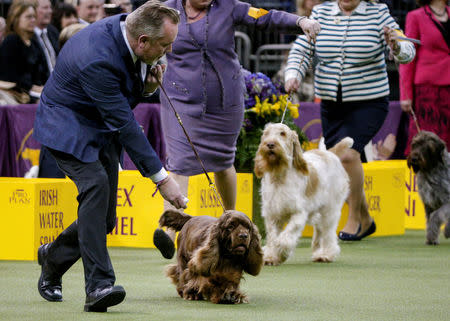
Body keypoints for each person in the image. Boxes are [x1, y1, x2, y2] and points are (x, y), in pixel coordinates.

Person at [33, 0, 187, 312]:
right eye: (164, 45)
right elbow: (126, 125)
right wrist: (162, 180)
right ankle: (98, 286)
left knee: (104, 220)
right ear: (143, 40)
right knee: (96, 186)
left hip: (97, 125)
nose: (167, 52)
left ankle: (53, 256)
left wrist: (147, 85)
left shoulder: (130, 28)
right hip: (65, 125)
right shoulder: (97, 59)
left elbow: (127, 89)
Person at [152, 0, 321, 258]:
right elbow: (137, 30)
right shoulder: (166, 9)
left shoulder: (228, 6)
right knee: (179, 161)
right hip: (179, 98)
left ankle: (228, 218)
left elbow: (265, 17)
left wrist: (300, 22)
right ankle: (170, 231)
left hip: (225, 99)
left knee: (222, 162)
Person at [285, 0, 416, 241]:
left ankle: (354, 219)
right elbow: (302, 49)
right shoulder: (321, 12)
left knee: (348, 155)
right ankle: (366, 219)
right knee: (339, 163)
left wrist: (396, 46)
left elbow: (408, 52)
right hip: (331, 104)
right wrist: (293, 74)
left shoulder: (379, 13)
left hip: (369, 102)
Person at [400, 0, 450, 154]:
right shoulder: (415, 16)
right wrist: (406, 94)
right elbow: (408, 57)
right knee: (427, 142)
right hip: (428, 90)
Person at [0, 0, 47, 103]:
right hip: (17, 94)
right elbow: (10, 76)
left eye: (34, 16)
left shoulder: (34, 43)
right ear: (16, 18)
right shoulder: (11, 41)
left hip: (37, 91)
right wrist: (32, 87)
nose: (33, 20)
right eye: (28, 17)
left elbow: (43, 71)